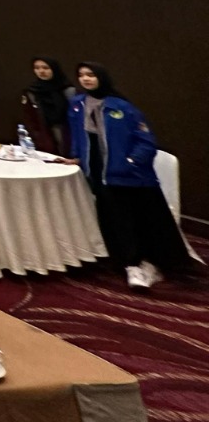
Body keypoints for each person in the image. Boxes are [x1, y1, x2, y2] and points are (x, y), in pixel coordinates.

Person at [67, 62, 188, 291]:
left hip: (131, 176)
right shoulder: (77, 104)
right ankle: (129, 263)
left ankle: (149, 263)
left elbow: (146, 141)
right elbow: (77, 135)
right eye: (81, 75)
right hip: (99, 174)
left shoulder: (122, 107)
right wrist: (76, 156)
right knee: (114, 220)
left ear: (101, 77)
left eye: (91, 74)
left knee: (139, 219)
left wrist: (131, 162)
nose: (86, 79)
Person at [21, 57, 75, 155]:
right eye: (37, 68)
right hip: (42, 135)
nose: (41, 71)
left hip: (66, 133)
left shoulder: (68, 90)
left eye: (45, 68)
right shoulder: (31, 91)